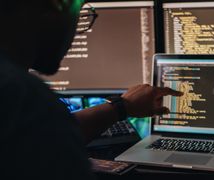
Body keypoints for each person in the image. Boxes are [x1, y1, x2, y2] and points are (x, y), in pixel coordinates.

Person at [0, 0, 182, 179]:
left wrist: (122, 107)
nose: (76, 33)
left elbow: (40, 139)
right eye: (79, 13)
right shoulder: (26, 98)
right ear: (55, 6)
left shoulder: (18, 104)